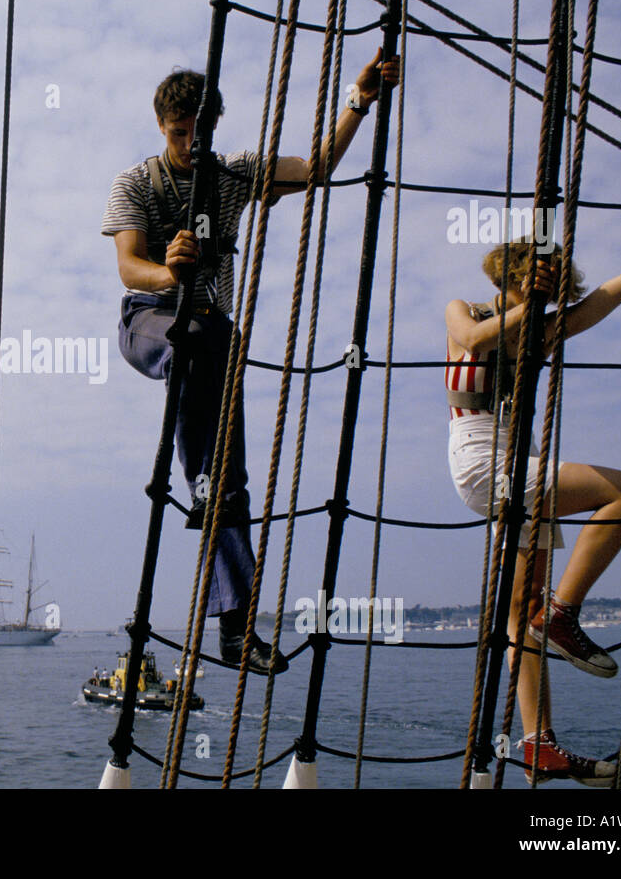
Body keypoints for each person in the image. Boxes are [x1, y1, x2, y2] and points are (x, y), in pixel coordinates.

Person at [102, 52, 400, 673]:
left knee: (230, 481)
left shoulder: (235, 174)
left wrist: (359, 99)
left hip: (214, 335)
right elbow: (129, 266)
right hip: (150, 318)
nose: (190, 143)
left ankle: (235, 630)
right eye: (179, 132)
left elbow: (315, 169)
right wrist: (171, 270)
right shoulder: (135, 183)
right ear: (162, 126)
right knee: (192, 344)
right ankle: (201, 484)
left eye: (200, 132)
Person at [445, 180, 621, 785]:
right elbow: (476, 339)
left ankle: (538, 741)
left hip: (518, 466)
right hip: (486, 460)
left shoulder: (546, 328)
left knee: (517, 613)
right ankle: (563, 613)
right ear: (507, 277)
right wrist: (527, 306)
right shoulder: (466, 309)